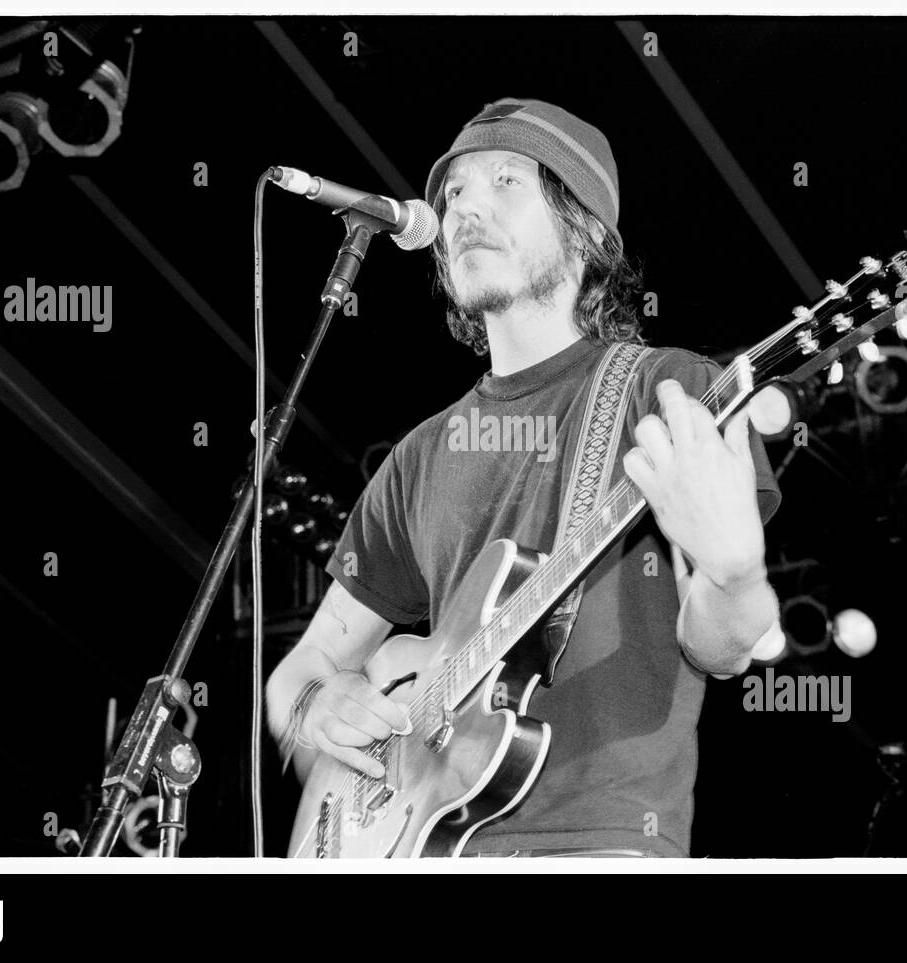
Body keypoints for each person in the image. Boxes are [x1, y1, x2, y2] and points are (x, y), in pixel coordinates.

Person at [266, 98, 782, 857]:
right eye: (455, 193)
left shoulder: (669, 392)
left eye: (507, 180)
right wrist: (319, 704)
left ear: (587, 232)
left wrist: (736, 573)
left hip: (599, 843)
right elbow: (294, 677)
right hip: (419, 845)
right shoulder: (416, 456)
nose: (467, 206)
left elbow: (722, 650)